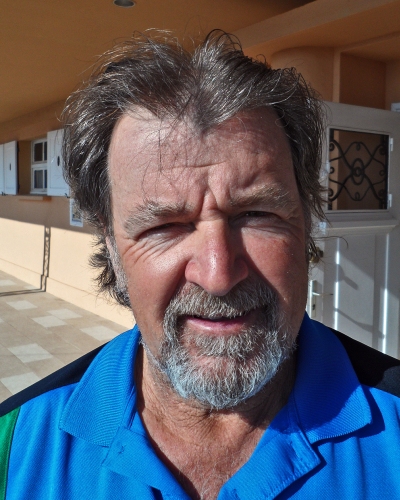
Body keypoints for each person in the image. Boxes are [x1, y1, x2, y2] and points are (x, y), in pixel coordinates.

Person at [1, 31, 400, 500]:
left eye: (256, 214)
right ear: (111, 245)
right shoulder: (14, 447)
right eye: (165, 226)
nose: (218, 275)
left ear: (306, 221)